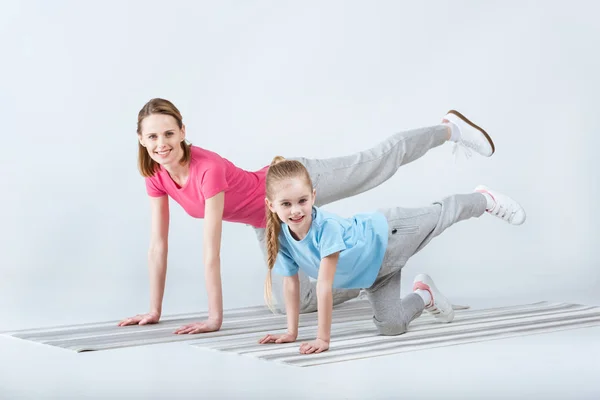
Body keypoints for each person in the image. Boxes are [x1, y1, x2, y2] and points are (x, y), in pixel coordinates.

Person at [118, 98, 496, 334]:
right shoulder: (156, 175)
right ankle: (376, 277)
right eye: (151, 137)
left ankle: (449, 129)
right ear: (140, 139)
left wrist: (214, 320)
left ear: (183, 131)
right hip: (269, 220)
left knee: (377, 164)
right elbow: (158, 246)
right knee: (294, 303)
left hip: (291, 184)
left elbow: (210, 252)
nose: (161, 144)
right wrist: (154, 309)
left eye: (169, 133)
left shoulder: (207, 169)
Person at [258, 157, 526, 354]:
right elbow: (291, 283)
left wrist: (323, 339)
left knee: (442, 214)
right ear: (271, 205)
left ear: (313, 196)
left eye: (302, 201)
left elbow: (325, 287)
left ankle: (484, 199)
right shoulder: (281, 238)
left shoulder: (324, 228)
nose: (296, 210)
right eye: (286, 204)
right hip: (375, 275)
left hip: (390, 234)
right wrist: (291, 332)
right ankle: (424, 294)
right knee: (391, 326)